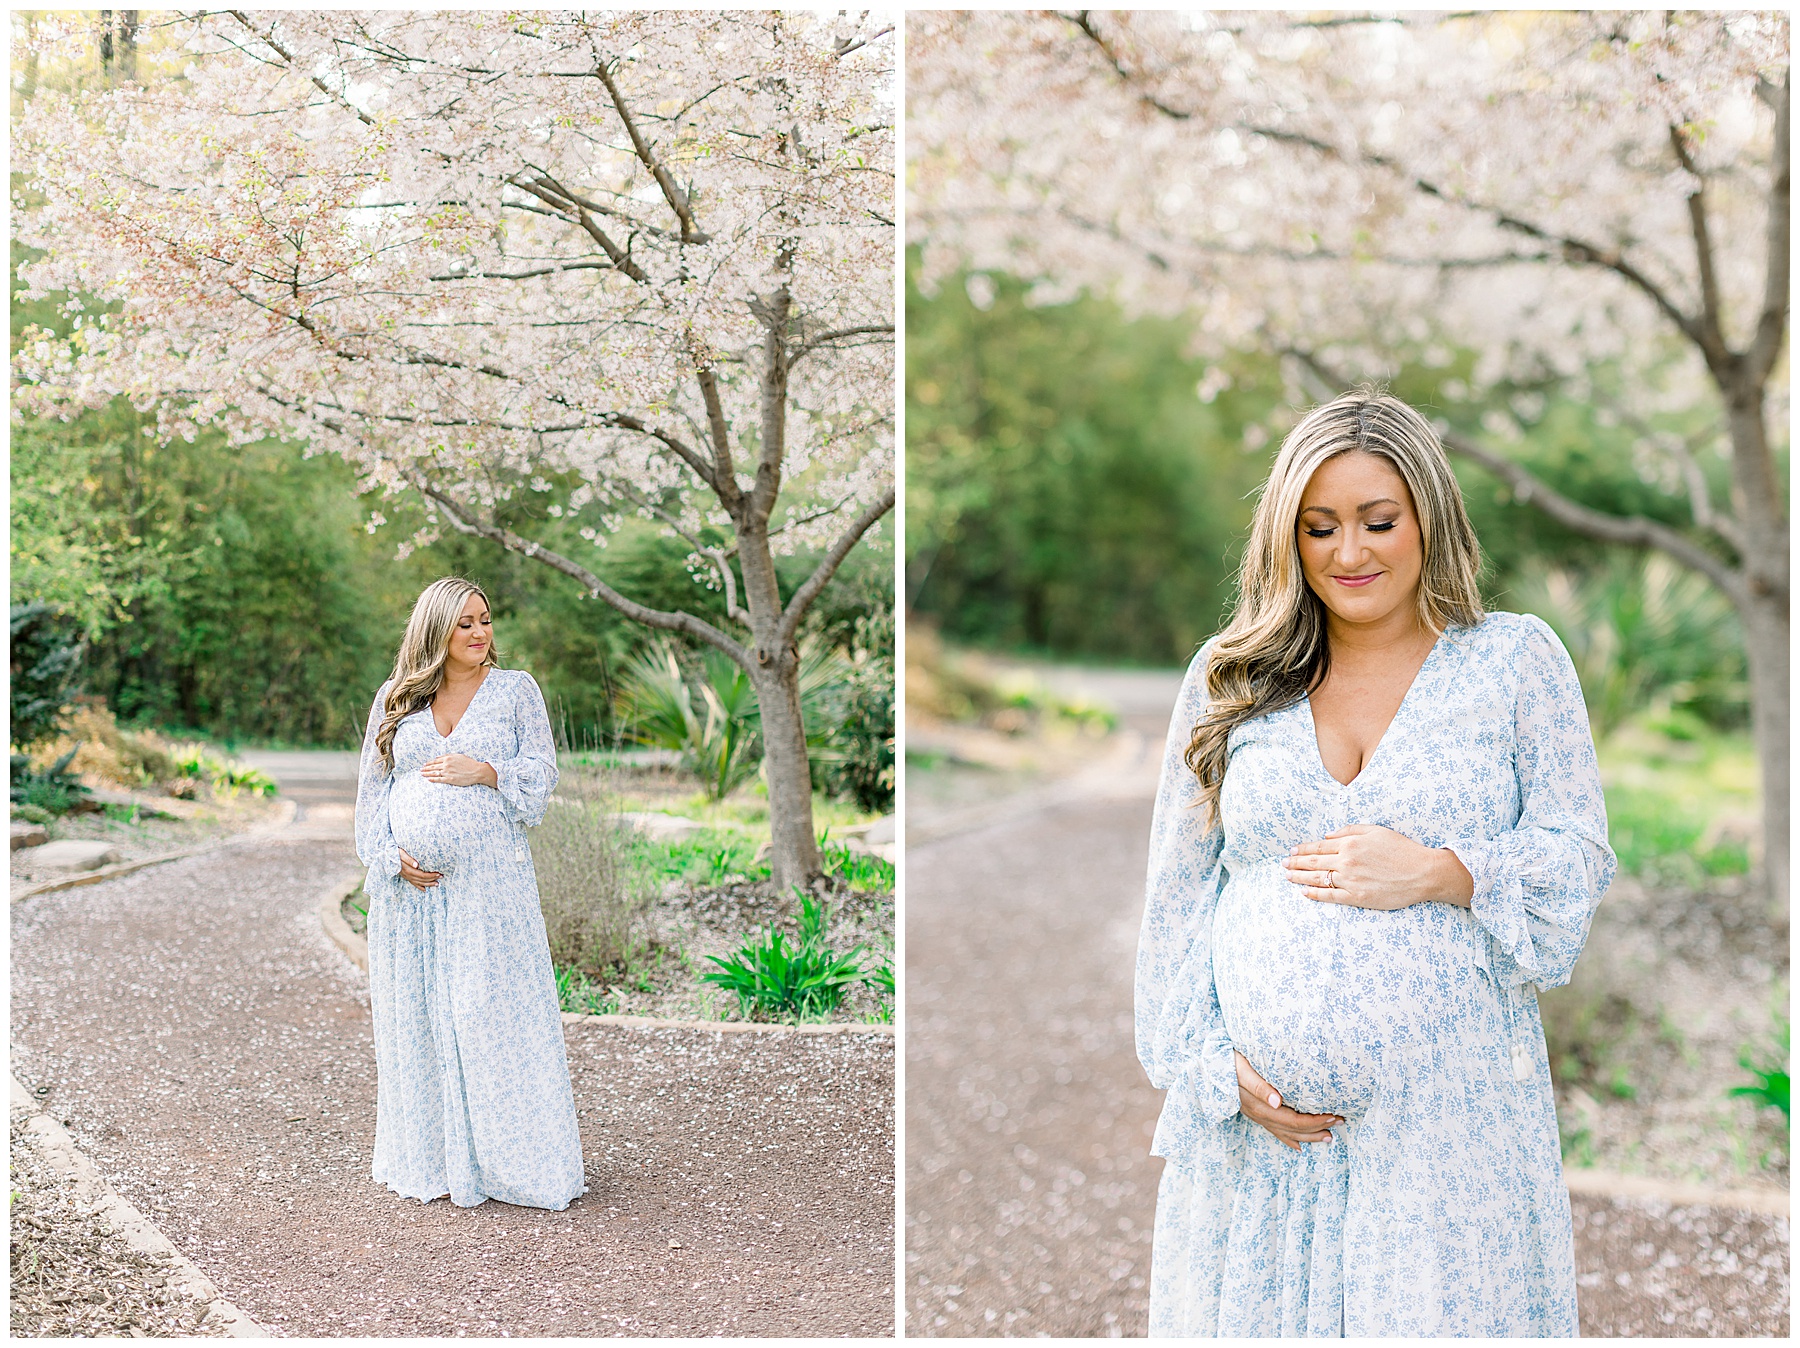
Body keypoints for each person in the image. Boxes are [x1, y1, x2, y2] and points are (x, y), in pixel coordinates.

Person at [1136, 388, 1615, 1336]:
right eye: (1319, 528)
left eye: (1377, 521)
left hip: (1451, 1136)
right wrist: (1206, 1065)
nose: (1349, 553)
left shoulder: (1515, 662)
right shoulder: (1232, 677)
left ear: (1429, 519)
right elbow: (1178, 898)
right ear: (1287, 537)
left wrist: (1444, 870)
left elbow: (1576, 859)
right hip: (1261, 1145)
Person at [353, 576, 585, 1210]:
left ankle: (513, 1164)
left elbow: (540, 776)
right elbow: (372, 794)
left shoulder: (514, 692)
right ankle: (437, 1160)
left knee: (489, 1014)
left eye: (486, 620)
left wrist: (486, 772)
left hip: (491, 888)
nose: (481, 633)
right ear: (436, 631)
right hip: (412, 897)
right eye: (465, 623)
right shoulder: (395, 699)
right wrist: (388, 858)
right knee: (423, 1018)